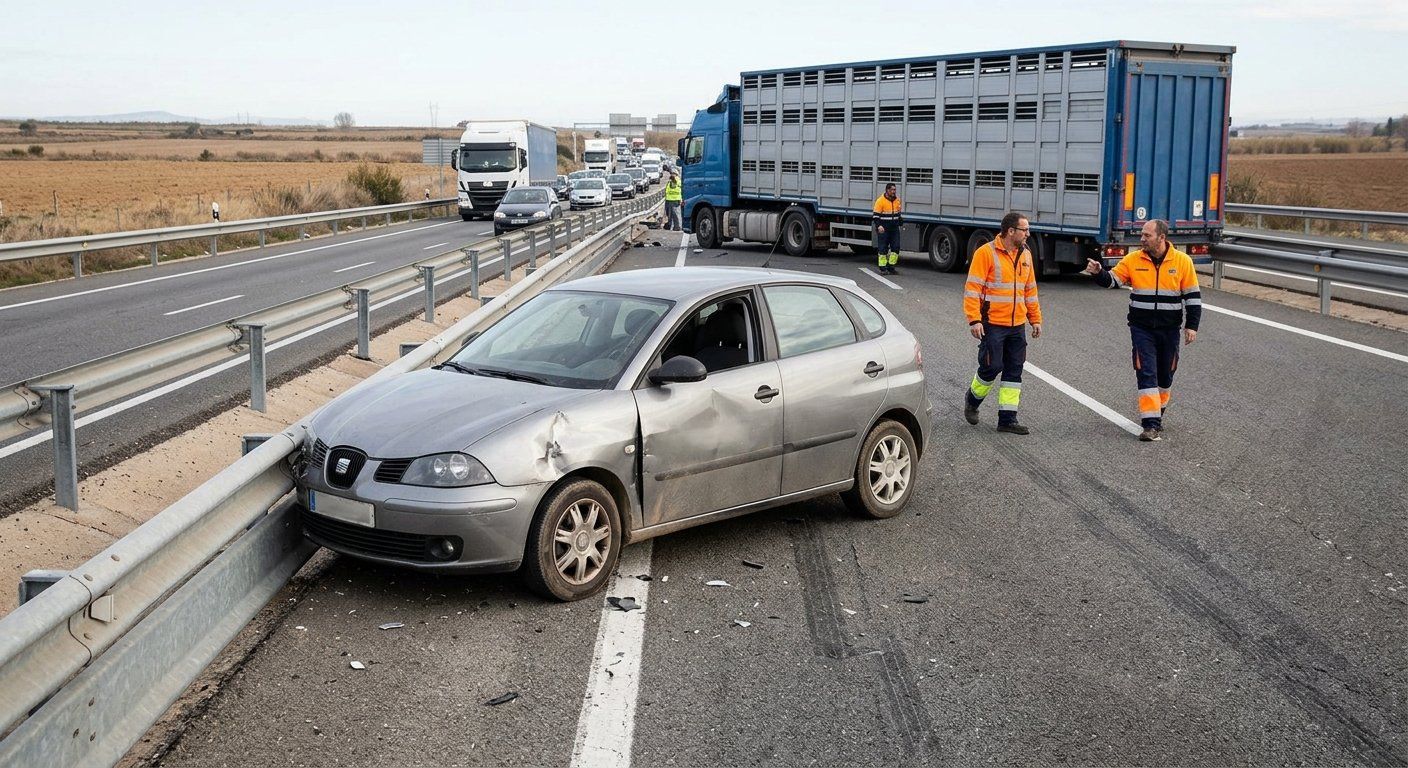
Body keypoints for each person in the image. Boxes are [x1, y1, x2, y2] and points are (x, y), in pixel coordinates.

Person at [1083, 219, 1201, 442]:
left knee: (1165, 376)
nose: (1142, 239)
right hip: (1141, 328)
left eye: (1147, 235)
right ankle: (1150, 424)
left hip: (1169, 329)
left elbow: (1193, 298)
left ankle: (1158, 410)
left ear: (1161, 238)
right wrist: (1098, 273)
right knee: (1146, 371)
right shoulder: (1133, 259)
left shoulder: (1182, 261)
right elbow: (1113, 281)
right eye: (1142, 235)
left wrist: (1192, 326)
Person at [962, 211, 1041, 434]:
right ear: (1010, 231)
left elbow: (1030, 290)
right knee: (992, 366)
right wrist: (974, 319)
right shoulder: (985, 253)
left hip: (1017, 325)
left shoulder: (1026, 254)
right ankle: (973, 400)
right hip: (992, 323)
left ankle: (1007, 419)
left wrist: (1034, 319)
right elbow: (973, 288)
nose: (1028, 234)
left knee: (1014, 371)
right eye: (1025, 230)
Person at [872, 183, 902, 274]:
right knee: (883, 248)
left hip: (894, 228)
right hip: (883, 228)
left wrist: (900, 221)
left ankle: (891, 266)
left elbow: (898, 213)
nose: (894, 191)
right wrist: (879, 226)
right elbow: (876, 216)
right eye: (892, 190)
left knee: (896, 247)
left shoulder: (897, 200)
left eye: (895, 190)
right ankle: (883, 268)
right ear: (887, 190)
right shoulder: (880, 201)